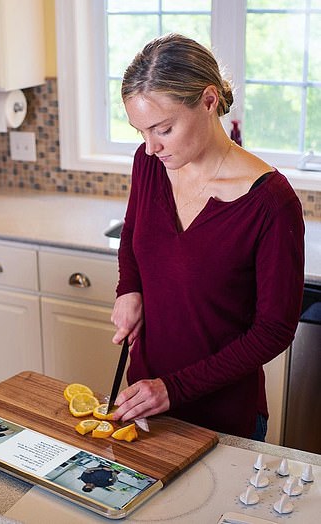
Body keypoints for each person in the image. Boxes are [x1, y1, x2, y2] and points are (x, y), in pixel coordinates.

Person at [110, 34, 304, 440]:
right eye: (141, 131)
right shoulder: (149, 165)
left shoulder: (271, 203)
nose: (150, 146)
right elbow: (133, 234)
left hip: (224, 418)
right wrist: (129, 289)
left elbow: (274, 330)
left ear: (209, 100)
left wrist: (173, 389)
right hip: (146, 403)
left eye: (163, 128)